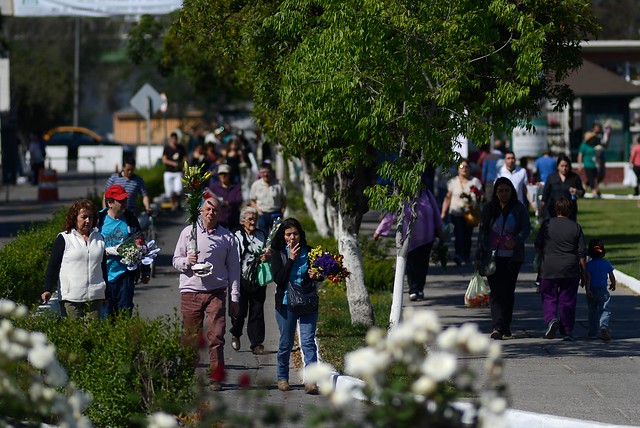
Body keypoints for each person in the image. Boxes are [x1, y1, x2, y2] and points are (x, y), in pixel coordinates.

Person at [172, 196, 240, 391]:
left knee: (216, 336)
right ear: (200, 211)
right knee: (191, 337)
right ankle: (187, 374)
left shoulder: (227, 238)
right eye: (207, 209)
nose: (211, 213)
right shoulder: (188, 232)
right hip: (191, 291)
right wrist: (187, 261)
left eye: (215, 210)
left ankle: (215, 377)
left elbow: (234, 270)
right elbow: (176, 260)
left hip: (216, 292)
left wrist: (235, 297)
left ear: (220, 213)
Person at [475, 177, 531, 340]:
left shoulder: (518, 208)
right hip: (491, 256)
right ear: (495, 192)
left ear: (511, 191)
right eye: (500, 190)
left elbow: (526, 228)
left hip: (512, 258)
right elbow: (482, 232)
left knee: (508, 292)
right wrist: (478, 255)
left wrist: (517, 239)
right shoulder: (489, 208)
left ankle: (505, 324)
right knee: (496, 293)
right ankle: (497, 326)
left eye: (507, 190)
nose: (504, 194)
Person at [270, 217, 319, 394]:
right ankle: (282, 377)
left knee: (307, 342)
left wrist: (316, 274)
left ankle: (311, 381)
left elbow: (321, 273)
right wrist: (290, 259)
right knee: (286, 343)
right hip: (285, 304)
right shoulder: (278, 254)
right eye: (288, 234)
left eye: (295, 234)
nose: (292, 237)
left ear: (301, 235)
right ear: (283, 236)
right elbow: (278, 278)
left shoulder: (311, 252)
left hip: (307, 303)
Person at [374, 186, 445, 301]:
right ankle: (413, 289)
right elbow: (391, 215)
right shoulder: (402, 198)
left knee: (423, 264)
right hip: (409, 238)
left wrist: (440, 229)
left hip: (427, 237)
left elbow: (436, 211)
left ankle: (419, 289)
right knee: (411, 264)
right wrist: (379, 231)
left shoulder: (426, 193)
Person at [42, 199, 107, 319]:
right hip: (71, 297)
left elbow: (102, 267)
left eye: (91, 217)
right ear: (75, 218)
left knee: (93, 334)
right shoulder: (64, 238)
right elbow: (53, 266)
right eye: (84, 217)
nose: (88, 221)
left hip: (95, 296)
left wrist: (106, 292)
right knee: (74, 334)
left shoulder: (99, 238)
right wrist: (47, 289)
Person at [535, 198, 586, 341]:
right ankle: (567, 331)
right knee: (568, 299)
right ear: (570, 210)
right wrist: (583, 273)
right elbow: (582, 253)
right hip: (570, 268)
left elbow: (538, 245)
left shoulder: (547, 224)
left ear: (555, 209)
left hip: (549, 267)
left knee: (549, 296)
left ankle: (551, 319)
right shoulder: (576, 227)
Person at [98, 184, 150, 316]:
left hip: (125, 275)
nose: (125, 203)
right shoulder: (99, 220)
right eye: (121, 201)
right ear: (110, 203)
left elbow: (141, 244)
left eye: (125, 200)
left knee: (124, 313)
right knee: (106, 316)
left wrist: (145, 270)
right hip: (104, 277)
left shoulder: (130, 219)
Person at [230, 206, 271, 355]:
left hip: (258, 279)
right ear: (243, 221)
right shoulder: (235, 235)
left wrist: (267, 256)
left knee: (257, 310)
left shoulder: (262, 234)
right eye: (250, 219)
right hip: (240, 278)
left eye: (255, 219)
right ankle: (236, 333)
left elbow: (269, 251)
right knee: (239, 312)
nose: (253, 222)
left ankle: (257, 343)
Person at [440, 159, 483, 265]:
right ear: (458, 169)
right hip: (456, 212)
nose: (464, 169)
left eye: (466, 167)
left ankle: (466, 255)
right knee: (458, 234)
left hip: (470, 213)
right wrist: (443, 212)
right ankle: (458, 255)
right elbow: (447, 197)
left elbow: (481, 197)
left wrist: (477, 196)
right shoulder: (452, 182)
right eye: (462, 167)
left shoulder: (475, 182)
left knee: (467, 235)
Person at [585, 239, 616, 342]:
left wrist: (587, 289)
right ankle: (603, 325)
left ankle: (592, 333)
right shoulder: (606, 263)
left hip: (592, 290)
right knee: (604, 309)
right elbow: (611, 275)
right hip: (603, 290)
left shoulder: (589, 265)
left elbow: (588, 278)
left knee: (592, 312)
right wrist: (613, 284)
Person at [539, 154, 585, 221]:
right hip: (552, 210)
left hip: (570, 212)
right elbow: (546, 193)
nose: (564, 168)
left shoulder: (574, 177)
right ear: (558, 166)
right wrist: (541, 207)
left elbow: (582, 192)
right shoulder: (551, 177)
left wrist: (577, 192)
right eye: (562, 166)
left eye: (566, 166)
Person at [250, 162, 287, 235]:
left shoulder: (279, 184)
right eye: (263, 172)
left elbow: (284, 199)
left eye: (267, 172)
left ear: (271, 172)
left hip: (276, 213)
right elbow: (252, 201)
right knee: (263, 235)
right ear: (260, 173)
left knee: (277, 236)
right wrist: (258, 211)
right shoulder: (256, 185)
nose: (265, 174)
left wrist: (282, 211)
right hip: (262, 214)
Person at [209, 164, 242, 230]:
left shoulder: (236, 186)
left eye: (225, 174)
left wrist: (228, 203)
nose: (223, 176)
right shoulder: (213, 187)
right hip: (219, 220)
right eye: (221, 174)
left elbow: (239, 200)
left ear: (229, 175)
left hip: (233, 219)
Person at [162, 132, 187, 211]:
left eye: (175, 139)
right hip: (169, 171)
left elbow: (184, 158)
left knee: (179, 189)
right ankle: (173, 205)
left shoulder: (181, 148)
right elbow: (164, 160)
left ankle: (178, 203)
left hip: (178, 172)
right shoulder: (167, 148)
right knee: (170, 191)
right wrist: (173, 163)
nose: (173, 140)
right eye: (172, 139)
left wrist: (184, 166)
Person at [577, 130, 600, 198]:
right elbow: (580, 155)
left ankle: (582, 190)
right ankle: (594, 192)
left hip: (594, 164)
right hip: (587, 164)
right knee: (591, 179)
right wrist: (580, 164)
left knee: (594, 178)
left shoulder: (593, 145)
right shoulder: (583, 145)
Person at [629, 136, 640, 201]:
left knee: (635, 179)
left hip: (637, 165)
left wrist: (630, 163)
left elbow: (632, 156)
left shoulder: (636, 148)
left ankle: (636, 192)